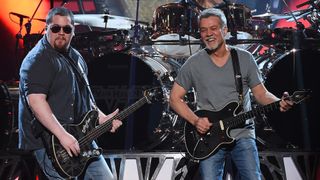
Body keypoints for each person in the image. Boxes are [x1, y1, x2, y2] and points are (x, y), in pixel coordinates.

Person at [169, 8, 293, 180]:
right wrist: (195, 120)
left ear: (225, 30)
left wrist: (279, 102)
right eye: (203, 30)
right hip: (209, 137)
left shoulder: (245, 58)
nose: (208, 34)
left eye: (213, 28)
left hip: (242, 133)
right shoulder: (193, 63)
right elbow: (174, 98)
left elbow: (261, 94)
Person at [18, 7, 122, 179]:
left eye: (66, 29)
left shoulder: (76, 58)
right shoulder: (38, 59)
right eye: (55, 28)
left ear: (73, 32)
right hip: (51, 142)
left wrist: (101, 117)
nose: (61, 33)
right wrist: (63, 136)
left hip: (80, 136)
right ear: (47, 29)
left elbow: (85, 98)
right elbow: (36, 102)